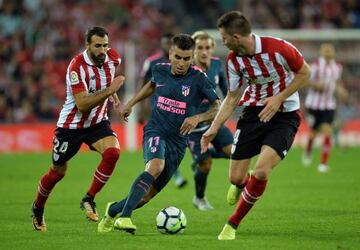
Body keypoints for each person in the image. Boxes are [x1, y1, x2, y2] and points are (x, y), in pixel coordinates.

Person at [200, 11, 311, 240]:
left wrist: (280, 97)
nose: (223, 42)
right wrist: (213, 129)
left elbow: (305, 72)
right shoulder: (233, 59)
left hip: (284, 116)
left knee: (261, 172)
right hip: (252, 115)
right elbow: (232, 98)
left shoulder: (279, 48)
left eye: (224, 37)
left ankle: (232, 223)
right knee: (236, 179)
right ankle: (244, 183)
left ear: (237, 36)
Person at [97, 34, 220, 233]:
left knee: (145, 197)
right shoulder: (159, 69)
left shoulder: (198, 78)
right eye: (178, 57)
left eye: (186, 59)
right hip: (156, 130)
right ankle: (125, 218)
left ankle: (113, 210)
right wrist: (131, 104)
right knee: (155, 166)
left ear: (192, 57)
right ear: (171, 54)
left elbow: (217, 106)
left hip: (178, 143)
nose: (181, 63)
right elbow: (152, 85)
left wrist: (198, 117)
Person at [31, 26, 125, 231]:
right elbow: (82, 105)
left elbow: (105, 81)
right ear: (87, 45)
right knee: (57, 172)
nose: (103, 50)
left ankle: (88, 199)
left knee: (113, 153)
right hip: (71, 126)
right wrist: (111, 90)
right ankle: (38, 207)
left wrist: (112, 95)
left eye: (106, 45)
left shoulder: (113, 58)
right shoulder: (76, 67)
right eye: (98, 46)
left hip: (97, 123)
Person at [188, 31, 233, 211]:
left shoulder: (216, 65)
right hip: (194, 128)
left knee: (235, 152)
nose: (204, 52)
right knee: (205, 166)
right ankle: (199, 198)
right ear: (193, 50)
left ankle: (203, 156)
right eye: (200, 48)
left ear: (213, 49)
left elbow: (227, 91)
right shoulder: (187, 69)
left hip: (214, 122)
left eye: (207, 48)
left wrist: (225, 109)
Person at [139, 32, 188, 188]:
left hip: (178, 112)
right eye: (165, 43)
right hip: (158, 110)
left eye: (169, 43)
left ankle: (160, 172)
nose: (167, 46)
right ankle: (174, 176)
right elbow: (144, 85)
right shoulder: (152, 62)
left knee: (172, 147)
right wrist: (141, 107)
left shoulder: (183, 63)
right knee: (162, 145)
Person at [302, 43, 348, 172]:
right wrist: (315, 85)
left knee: (327, 130)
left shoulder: (337, 67)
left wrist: (341, 90)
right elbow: (304, 82)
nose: (328, 52)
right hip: (314, 105)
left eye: (330, 50)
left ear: (333, 52)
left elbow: (337, 82)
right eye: (325, 50)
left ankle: (323, 163)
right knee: (313, 134)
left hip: (329, 105)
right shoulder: (315, 66)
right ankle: (308, 150)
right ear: (321, 52)